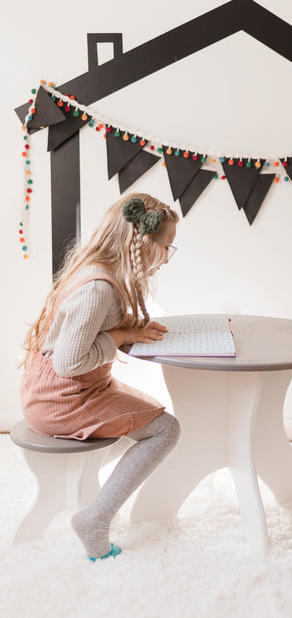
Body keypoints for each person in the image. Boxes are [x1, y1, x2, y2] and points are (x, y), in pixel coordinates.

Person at [20, 193, 181, 561]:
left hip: (70, 388)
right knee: (166, 429)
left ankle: (90, 475)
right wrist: (122, 336)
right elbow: (69, 363)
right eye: (166, 248)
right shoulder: (99, 288)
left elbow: (88, 333)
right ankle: (95, 518)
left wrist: (130, 326)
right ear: (141, 242)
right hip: (62, 395)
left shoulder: (101, 272)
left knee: (149, 412)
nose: (167, 258)